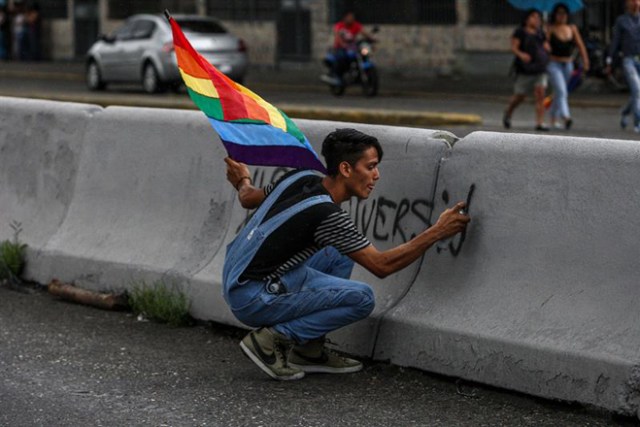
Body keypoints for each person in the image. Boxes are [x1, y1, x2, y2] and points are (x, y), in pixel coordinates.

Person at [222, 128, 470, 381]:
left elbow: (249, 197)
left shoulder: (300, 177)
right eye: (371, 167)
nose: (377, 175)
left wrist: (242, 179)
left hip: (236, 278)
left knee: (337, 254)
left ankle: (309, 350)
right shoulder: (328, 216)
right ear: (346, 169)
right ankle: (272, 340)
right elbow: (381, 265)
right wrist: (438, 231)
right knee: (361, 298)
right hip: (254, 298)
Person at [503, 9, 550, 132]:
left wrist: (547, 45)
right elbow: (514, 47)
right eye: (533, 17)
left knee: (540, 94)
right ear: (527, 18)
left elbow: (546, 47)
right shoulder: (520, 32)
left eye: (538, 17)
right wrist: (522, 55)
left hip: (540, 68)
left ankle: (539, 122)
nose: (536, 20)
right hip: (525, 69)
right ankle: (508, 112)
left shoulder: (541, 33)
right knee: (520, 95)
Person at [545, 3, 589, 130]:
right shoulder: (550, 28)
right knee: (561, 90)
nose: (562, 16)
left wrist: (585, 60)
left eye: (564, 13)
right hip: (553, 64)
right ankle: (566, 116)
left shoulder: (572, 28)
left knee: (560, 92)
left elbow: (580, 45)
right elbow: (544, 44)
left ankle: (553, 118)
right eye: (559, 13)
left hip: (568, 64)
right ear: (555, 15)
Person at [606, 0, 640, 133]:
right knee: (637, 89)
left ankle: (625, 112)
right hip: (628, 59)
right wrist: (609, 61)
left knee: (637, 93)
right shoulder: (622, 20)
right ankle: (638, 122)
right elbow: (615, 41)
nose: (636, 3)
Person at [325, 11, 375, 83]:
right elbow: (337, 36)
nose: (351, 19)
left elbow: (364, 33)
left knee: (363, 55)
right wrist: (343, 44)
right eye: (349, 17)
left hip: (352, 47)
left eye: (352, 17)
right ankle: (337, 75)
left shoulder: (356, 25)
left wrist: (372, 39)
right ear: (345, 18)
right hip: (340, 47)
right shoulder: (339, 25)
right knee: (342, 58)